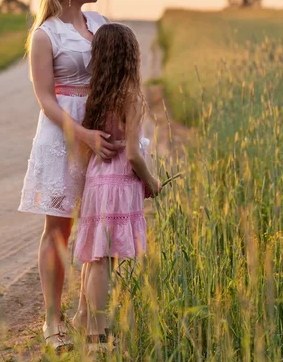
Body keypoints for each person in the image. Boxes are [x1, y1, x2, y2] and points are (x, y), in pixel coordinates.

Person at [18, 0, 118, 352]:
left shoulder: (102, 24)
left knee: (100, 224)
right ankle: (52, 321)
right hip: (63, 134)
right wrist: (83, 135)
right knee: (58, 228)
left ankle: (85, 313)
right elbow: (45, 99)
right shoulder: (46, 34)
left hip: (102, 130)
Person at [73, 23, 162, 352]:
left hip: (97, 180)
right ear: (131, 57)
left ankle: (82, 318)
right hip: (120, 182)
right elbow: (134, 154)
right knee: (104, 259)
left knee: (95, 256)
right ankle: (98, 337)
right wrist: (151, 180)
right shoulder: (130, 97)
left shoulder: (97, 95)